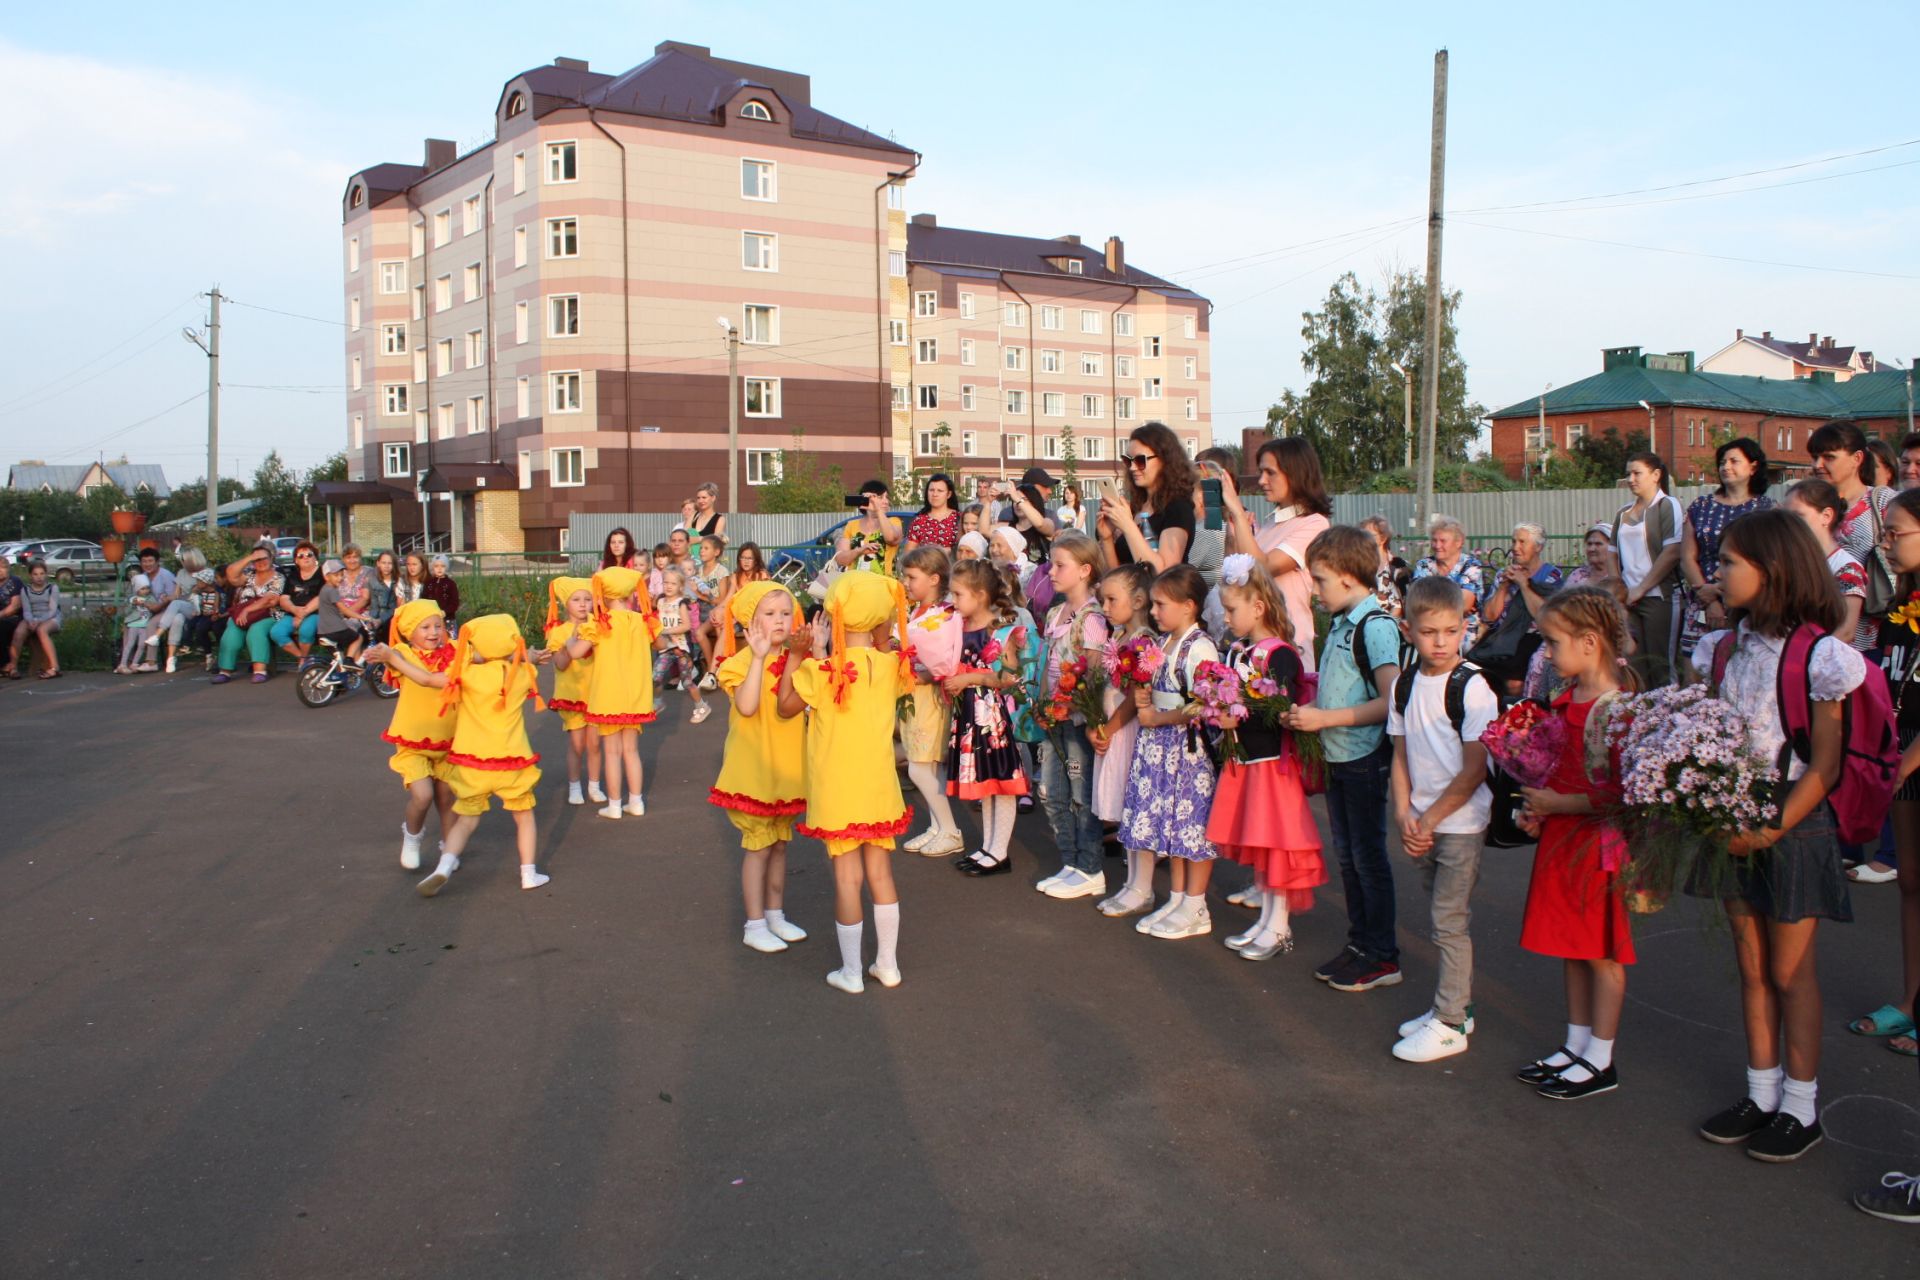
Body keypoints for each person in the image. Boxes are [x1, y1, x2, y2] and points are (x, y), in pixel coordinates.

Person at [1693, 509, 1864, 1162]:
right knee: (1752, 967)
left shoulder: (1821, 655)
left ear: (1773, 571)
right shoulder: (1727, 647)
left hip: (1790, 822)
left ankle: (1801, 1106)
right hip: (1733, 817)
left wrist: (1770, 828)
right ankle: (1761, 1092)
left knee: (1792, 973)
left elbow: (1825, 764)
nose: (1720, 571)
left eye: (1732, 561)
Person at [1514, 586, 1637, 1097]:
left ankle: (1601, 1058)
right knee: (1572, 944)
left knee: (1601, 953)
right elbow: (1559, 771)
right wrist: (1537, 813)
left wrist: (1556, 806)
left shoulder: (1619, 708)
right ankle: (1576, 1043)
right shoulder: (1566, 699)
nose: (1546, 652)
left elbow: (1624, 794)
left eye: (1552, 642)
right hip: (1563, 839)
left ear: (1588, 643)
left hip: (1597, 846)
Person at [776, 570, 916, 994]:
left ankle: (851, 972)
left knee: (846, 879)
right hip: (878, 784)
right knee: (881, 873)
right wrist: (883, 632)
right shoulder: (891, 664)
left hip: (837, 785)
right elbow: (883, 645)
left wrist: (798, 656)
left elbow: (785, 707)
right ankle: (887, 965)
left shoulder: (823, 670)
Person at [1384, 575, 1497, 1057]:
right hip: (1424, 825)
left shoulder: (1473, 688)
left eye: (1451, 631)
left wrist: (1427, 822)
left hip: (1460, 825)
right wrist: (1405, 812)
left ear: (1464, 627)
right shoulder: (1405, 685)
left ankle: (1450, 1020)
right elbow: (1399, 755)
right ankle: (1456, 1007)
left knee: (1448, 922)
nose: (1441, 642)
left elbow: (1474, 771)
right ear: (1409, 630)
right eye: (1430, 632)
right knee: (1442, 917)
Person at [1289, 526, 1404, 990]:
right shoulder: (1342, 622)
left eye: (1319, 580)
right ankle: (1361, 945)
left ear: (1349, 577)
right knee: (1350, 858)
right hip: (1339, 757)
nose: (1314, 591)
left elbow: (1390, 701)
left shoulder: (1375, 626)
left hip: (1362, 758)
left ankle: (1383, 955)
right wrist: (1313, 714)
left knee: (1368, 857)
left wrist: (1326, 718)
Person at [1208, 554, 1324, 960]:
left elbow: (1279, 708)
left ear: (1258, 607)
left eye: (1231, 609)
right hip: (1245, 762)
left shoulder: (1279, 655)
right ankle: (1266, 920)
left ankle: (1279, 926)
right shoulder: (1238, 649)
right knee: (1259, 842)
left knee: (1277, 845)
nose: (1225, 618)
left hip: (1273, 766)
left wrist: (1234, 712)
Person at [413, 614, 550, 896]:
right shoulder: (522, 674)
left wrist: (391, 657)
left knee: (466, 820)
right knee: (524, 816)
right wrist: (528, 656)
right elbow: (523, 662)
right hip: (512, 761)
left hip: (474, 763)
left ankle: (443, 867)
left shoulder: (467, 674)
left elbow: (432, 677)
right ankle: (529, 874)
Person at [1120, 565, 1220, 939]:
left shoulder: (1200, 647)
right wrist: (1145, 697)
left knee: (1193, 825)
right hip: (1161, 745)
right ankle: (1178, 898)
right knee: (1173, 826)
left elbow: (1206, 704)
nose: (1155, 612)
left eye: (1162, 605)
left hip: (1187, 750)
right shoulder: (1165, 643)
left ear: (1189, 606)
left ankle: (1197, 904)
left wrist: (1158, 717)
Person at [710, 580, 810, 954]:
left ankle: (775, 913)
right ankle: (754, 924)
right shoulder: (736, 664)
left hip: (785, 768)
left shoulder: (795, 659)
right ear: (749, 623)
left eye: (786, 612)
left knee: (781, 845)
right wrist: (756, 657)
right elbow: (748, 706)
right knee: (759, 847)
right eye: (769, 614)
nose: (780, 620)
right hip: (752, 771)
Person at [1856, 485, 1920, 1056]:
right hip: (1901, 761)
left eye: (1896, 533)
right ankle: (1910, 1000)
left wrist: (1905, 762)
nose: (1887, 543)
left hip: (1913, 761)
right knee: (1912, 885)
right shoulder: (1902, 603)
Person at [1033, 531, 1113, 901]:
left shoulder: (1093, 617)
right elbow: (1049, 661)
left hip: (1078, 719)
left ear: (1084, 570)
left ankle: (1090, 866)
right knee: (1052, 792)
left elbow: (1094, 674)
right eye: (1051, 563)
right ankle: (1070, 861)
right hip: (1055, 716)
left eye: (1060, 565)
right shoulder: (1055, 612)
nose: (1051, 571)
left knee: (1082, 795)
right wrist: (1045, 703)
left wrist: (1077, 706)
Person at [943, 559, 1032, 876]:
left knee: (999, 782)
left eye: (958, 594)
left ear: (980, 595)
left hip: (991, 715)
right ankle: (988, 846)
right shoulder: (958, 626)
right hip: (968, 713)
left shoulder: (999, 630)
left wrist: (968, 679)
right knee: (985, 783)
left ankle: (1000, 851)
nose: (953, 602)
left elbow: (1008, 678)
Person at [361, 598, 458, 871]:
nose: (433, 632)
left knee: (447, 797)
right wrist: (385, 653)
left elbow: (484, 654)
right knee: (423, 795)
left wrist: (520, 655)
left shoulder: (454, 651)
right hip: (413, 740)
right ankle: (412, 836)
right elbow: (403, 664)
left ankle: (448, 851)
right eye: (424, 627)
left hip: (449, 739)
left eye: (437, 625)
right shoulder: (402, 653)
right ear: (409, 632)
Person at [1091, 563, 1154, 916]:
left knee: (1134, 807)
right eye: (1103, 600)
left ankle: (1141, 886)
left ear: (1139, 600)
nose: (1105, 607)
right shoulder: (1118, 638)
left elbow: (1134, 695)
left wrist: (1110, 728)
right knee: (1125, 809)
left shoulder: (1143, 640)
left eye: (1112, 600)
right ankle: (1132, 882)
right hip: (1114, 727)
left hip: (1128, 731)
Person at [1679, 438, 1773, 670]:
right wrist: (1706, 595)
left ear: (1753, 467)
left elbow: (1768, 560)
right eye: (1722, 462)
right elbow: (1687, 556)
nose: (1726, 467)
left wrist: (1726, 594)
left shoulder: (1767, 509)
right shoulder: (1700, 506)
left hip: (1746, 605)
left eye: (1734, 461)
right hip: (1701, 599)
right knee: (1695, 672)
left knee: (1739, 666)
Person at [574, 566, 658, 820]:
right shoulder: (642, 620)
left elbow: (577, 652)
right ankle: (636, 801)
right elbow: (660, 641)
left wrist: (570, 640)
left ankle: (614, 804)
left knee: (611, 753)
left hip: (609, 697)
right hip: (636, 696)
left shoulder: (601, 623)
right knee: (631, 751)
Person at [898, 546, 964, 858]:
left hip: (930, 697)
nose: (907, 583)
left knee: (919, 768)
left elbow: (944, 663)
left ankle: (950, 829)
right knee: (925, 765)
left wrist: (921, 675)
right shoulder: (918, 613)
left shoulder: (944, 615)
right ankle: (939, 825)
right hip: (915, 696)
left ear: (934, 578)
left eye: (912, 577)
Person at [1810, 420, 1895, 653]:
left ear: (1857, 459)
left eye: (1829, 457)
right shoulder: (1806, 506)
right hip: (1815, 627)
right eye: (1815, 457)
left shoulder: (1882, 501)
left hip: (1869, 634)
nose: (1818, 465)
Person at [1611, 455, 1684, 686]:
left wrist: (1641, 588)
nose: (1630, 479)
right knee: (1634, 665)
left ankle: (1668, 717)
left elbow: (1672, 551)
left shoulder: (1666, 505)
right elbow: (1611, 552)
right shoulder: (1622, 513)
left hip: (1659, 597)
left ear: (1655, 475)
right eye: (1628, 474)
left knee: (1662, 666)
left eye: (1637, 473)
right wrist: (1619, 589)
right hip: (1629, 599)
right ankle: (1638, 717)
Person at [1522, 525, 1617, 702]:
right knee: (1539, 659)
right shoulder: (1578, 575)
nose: (1592, 548)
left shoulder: (1617, 578)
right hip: (1565, 630)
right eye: (1589, 544)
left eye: (1598, 543)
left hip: (1592, 638)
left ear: (1612, 547)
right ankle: (1536, 708)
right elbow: (1560, 608)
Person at [1471, 523, 1564, 695]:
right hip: (1501, 636)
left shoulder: (1551, 576)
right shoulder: (1503, 574)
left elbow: (1544, 616)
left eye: (1522, 542)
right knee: (1473, 671)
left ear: (1538, 547)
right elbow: (1489, 617)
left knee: (1514, 682)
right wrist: (1504, 586)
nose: (1515, 548)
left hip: (1531, 637)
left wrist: (1523, 584)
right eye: (1514, 542)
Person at [538, 576, 604, 808]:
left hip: (595, 693)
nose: (583, 604)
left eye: (587, 599)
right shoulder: (558, 631)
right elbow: (561, 664)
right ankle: (575, 785)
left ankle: (594, 785)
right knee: (577, 744)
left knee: (595, 744)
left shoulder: (597, 627)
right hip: (572, 695)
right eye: (576, 599)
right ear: (567, 604)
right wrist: (569, 643)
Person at [1782, 480, 1866, 655]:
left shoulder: (1847, 569)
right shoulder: (1789, 561)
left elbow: (1846, 631)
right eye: (1786, 517)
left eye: (1798, 516)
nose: (1789, 524)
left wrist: (1804, 659)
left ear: (1826, 516)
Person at [1100, 423, 1195, 571]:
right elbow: (1118, 575)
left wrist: (1127, 525)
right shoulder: (1136, 507)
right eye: (1128, 460)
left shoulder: (1178, 508)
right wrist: (1106, 538)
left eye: (1140, 460)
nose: (1132, 467)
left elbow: (1163, 573)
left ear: (1165, 460)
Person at [1413, 515, 1487, 649]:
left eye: (1443, 541)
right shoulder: (1424, 565)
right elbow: (1418, 602)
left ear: (1459, 542)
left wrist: (1432, 600)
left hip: (1463, 628)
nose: (1437, 546)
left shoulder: (1471, 565)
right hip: (1429, 627)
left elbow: (1464, 604)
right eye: (1434, 540)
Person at [213, 550, 282, 684]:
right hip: (245, 614)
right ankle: (225, 671)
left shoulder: (278, 577)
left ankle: (259, 671)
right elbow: (231, 575)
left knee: (256, 631)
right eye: (257, 559)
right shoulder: (249, 576)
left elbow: (270, 598)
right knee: (232, 632)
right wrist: (249, 558)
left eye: (264, 558)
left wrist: (248, 610)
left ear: (271, 558)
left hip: (268, 613)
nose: (261, 562)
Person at [653, 569, 710, 724]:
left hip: (681, 648)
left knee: (687, 682)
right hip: (666, 648)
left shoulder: (681, 604)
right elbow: (656, 621)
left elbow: (686, 626)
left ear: (680, 586)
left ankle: (701, 706)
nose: (669, 586)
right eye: (666, 582)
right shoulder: (660, 602)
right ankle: (658, 701)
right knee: (656, 677)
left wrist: (665, 630)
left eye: (673, 583)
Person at [272, 542, 326, 667]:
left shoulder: (323, 573)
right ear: (296, 560)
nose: (305, 557)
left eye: (309, 554)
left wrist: (302, 614)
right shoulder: (292, 575)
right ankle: (303, 658)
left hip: (315, 612)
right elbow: (284, 598)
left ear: (315, 557)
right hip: (293, 612)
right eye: (301, 556)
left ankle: (303, 661)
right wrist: (294, 609)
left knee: (306, 630)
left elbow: (322, 597)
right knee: (277, 632)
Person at [312, 558, 369, 673]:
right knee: (358, 637)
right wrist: (363, 617)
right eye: (336, 575)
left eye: (341, 575)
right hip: (335, 629)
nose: (340, 578)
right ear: (326, 577)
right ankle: (349, 660)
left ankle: (340, 677)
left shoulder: (324, 590)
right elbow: (345, 610)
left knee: (339, 657)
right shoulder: (332, 591)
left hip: (323, 631)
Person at [835, 480, 903, 575]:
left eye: (886, 497)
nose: (886, 501)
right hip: (856, 584)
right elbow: (841, 559)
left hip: (885, 585)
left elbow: (890, 538)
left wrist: (878, 510)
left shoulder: (894, 521)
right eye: (880, 497)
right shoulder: (851, 525)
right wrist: (860, 550)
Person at [688, 535, 730, 685]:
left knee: (713, 630)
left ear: (716, 552)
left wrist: (700, 595)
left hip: (716, 610)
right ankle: (710, 668)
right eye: (701, 549)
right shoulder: (699, 571)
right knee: (696, 632)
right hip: (702, 611)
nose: (702, 551)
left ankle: (716, 668)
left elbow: (722, 600)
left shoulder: (721, 571)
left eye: (706, 548)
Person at [133, 546, 182, 672]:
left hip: (169, 610)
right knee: (131, 623)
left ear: (157, 562)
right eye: (144, 561)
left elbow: (172, 598)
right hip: (150, 610)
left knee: (152, 624)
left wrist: (156, 607)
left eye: (150, 561)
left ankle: (151, 662)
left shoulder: (166, 575)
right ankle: (128, 661)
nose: (147, 564)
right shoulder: (142, 577)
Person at [12, 561, 61, 679]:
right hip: (32, 617)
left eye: (42, 574)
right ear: (30, 576)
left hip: (50, 617)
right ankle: (13, 668)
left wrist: (39, 621)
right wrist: (30, 621)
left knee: (41, 631)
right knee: (19, 632)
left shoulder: (52, 588)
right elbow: (27, 610)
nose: (39, 577)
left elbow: (52, 610)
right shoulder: (26, 590)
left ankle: (55, 668)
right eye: (35, 574)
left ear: (46, 574)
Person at [1359, 515, 1411, 617]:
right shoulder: (1359, 566)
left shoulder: (1398, 566)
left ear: (1383, 538)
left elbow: (1404, 602)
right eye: (1361, 536)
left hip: (1393, 626)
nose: (1363, 540)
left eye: (1368, 535)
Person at [903, 473, 961, 554]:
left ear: (949, 494)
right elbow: (908, 552)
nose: (935, 494)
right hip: (926, 564)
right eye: (931, 490)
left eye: (940, 491)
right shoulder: (919, 521)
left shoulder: (959, 518)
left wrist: (948, 550)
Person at [115, 572, 156, 675]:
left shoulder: (150, 598)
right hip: (133, 624)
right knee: (130, 644)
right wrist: (133, 605)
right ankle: (122, 664)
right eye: (143, 588)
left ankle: (134, 663)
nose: (146, 591)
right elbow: (126, 612)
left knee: (142, 645)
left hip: (144, 625)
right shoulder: (132, 599)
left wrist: (147, 604)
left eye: (147, 588)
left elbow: (154, 606)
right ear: (137, 589)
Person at [367, 550, 400, 640]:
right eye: (384, 563)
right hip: (376, 615)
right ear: (378, 563)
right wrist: (372, 620)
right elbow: (374, 605)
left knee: (388, 628)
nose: (386, 566)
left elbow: (395, 607)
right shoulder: (373, 581)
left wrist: (381, 620)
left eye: (390, 563)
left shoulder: (398, 581)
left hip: (392, 616)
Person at [422, 554, 460, 633]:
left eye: (443, 566)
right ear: (433, 567)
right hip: (432, 618)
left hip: (448, 619)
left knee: (451, 641)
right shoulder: (428, 583)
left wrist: (445, 612)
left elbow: (455, 603)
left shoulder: (451, 584)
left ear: (447, 567)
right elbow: (424, 599)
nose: (439, 569)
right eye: (436, 566)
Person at [0, 562, 24, 678]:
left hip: (15, 618)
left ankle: (6, 664)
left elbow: (15, 606)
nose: (0, 570)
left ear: (8, 569)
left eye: (3, 568)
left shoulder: (14, 582)